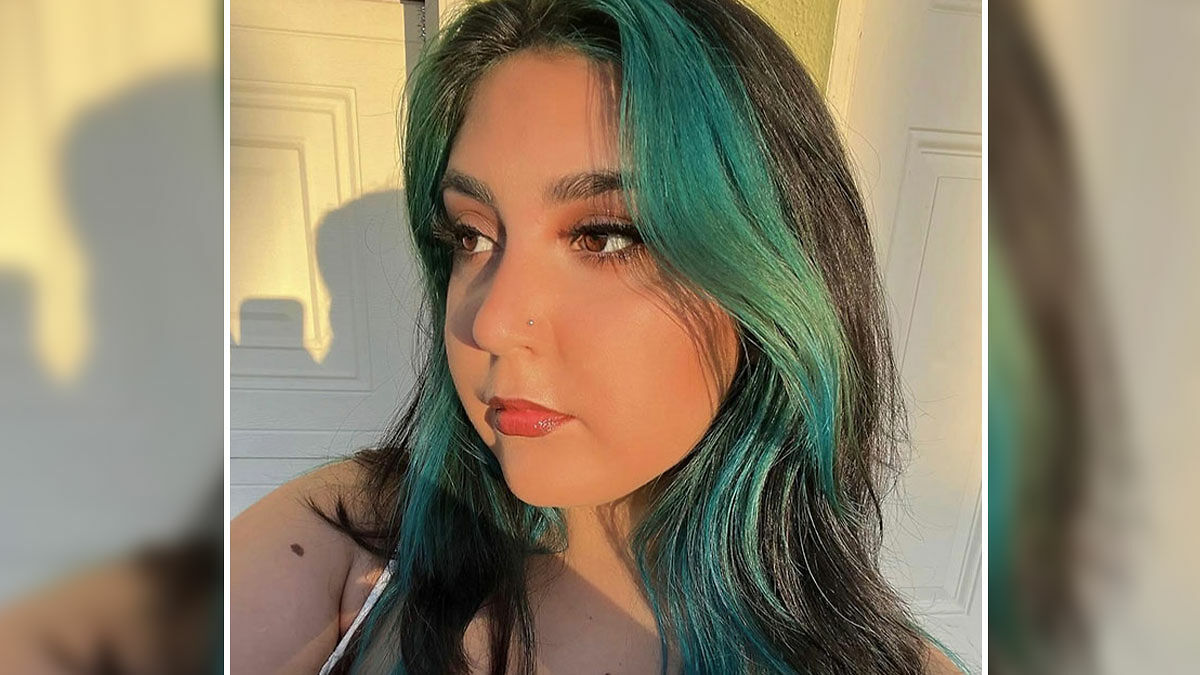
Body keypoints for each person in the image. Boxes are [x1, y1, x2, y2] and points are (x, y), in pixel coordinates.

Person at [232, 0, 965, 672]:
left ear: (772, 276)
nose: (489, 323)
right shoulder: (352, 539)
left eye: (605, 236)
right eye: (472, 235)